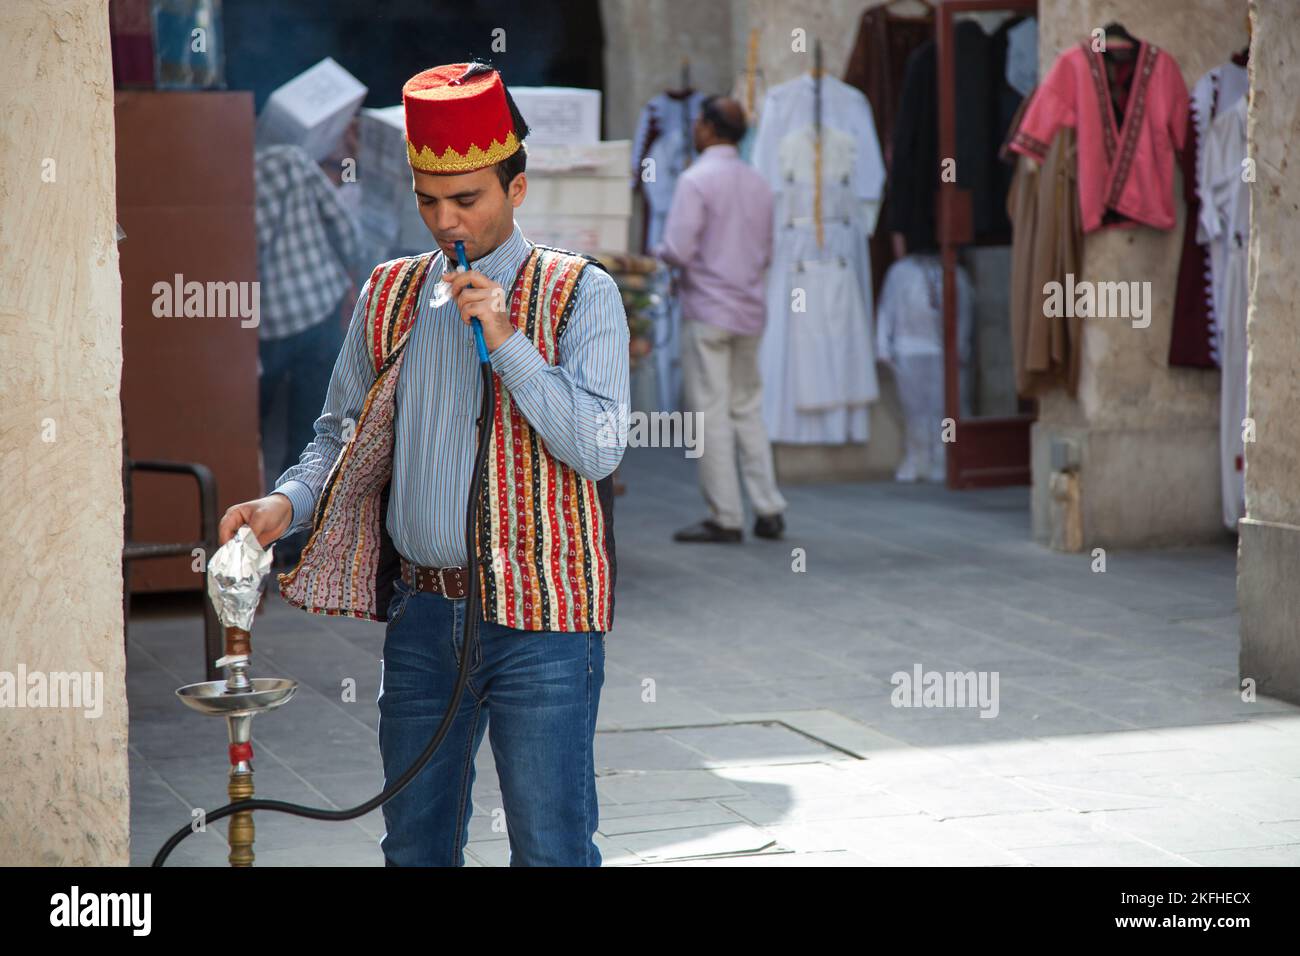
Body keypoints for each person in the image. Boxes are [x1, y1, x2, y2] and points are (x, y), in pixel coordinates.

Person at [218, 61, 630, 866]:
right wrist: (284, 506)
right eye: (428, 200)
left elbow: (595, 446)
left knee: (550, 848)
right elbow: (337, 437)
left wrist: (508, 342)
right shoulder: (391, 293)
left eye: (468, 200)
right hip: (424, 621)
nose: (448, 222)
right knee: (414, 846)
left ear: (517, 186)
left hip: (544, 624)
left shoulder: (580, 294)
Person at [656, 95, 788, 543]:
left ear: (710, 129)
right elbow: (768, 251)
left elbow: (678, 249)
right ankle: (769, 508)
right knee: (747, 408)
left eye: (699, 122)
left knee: (710, 413)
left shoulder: (696, 180)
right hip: (749, 310)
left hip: (709, 310)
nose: (694, 128)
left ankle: (726, 516)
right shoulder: (759, 183)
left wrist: (656, 257)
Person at [253, 137, 361, 571]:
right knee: (314, 431)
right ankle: (294, 545)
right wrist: (355, 270)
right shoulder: (291, 158)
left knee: (251, 433)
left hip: (262, 326)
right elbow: (342, 224)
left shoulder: (220, 182)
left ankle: (251, 526)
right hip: (319, 310)